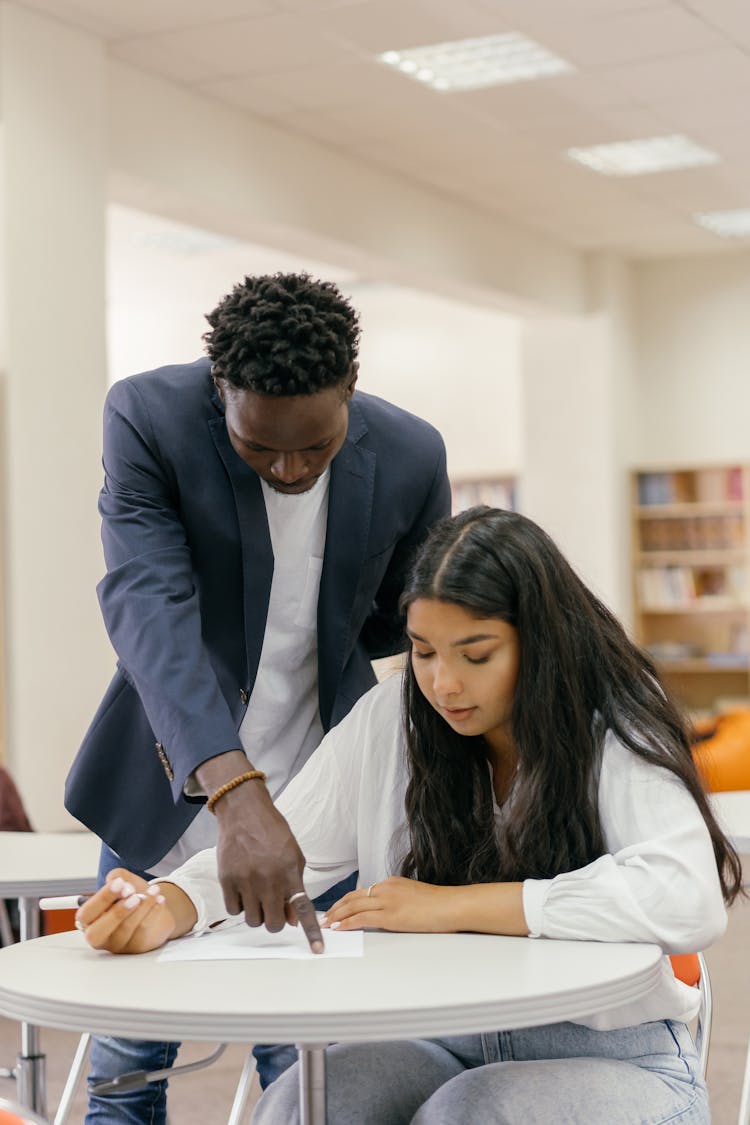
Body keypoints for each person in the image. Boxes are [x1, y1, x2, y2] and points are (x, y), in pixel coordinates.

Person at [78, 506, 743, 1124]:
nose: (444, 683)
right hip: (445, 1042)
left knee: (470, 1112)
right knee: (301, 1106)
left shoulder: (614, 718)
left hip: (618, 1057)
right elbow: (286, 842)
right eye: (424, 651)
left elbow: (688, 897)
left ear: (542, 640)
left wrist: (452, 905)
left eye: (476, 654)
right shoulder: (391, 721)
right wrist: (168, 903)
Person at [64, 271, 451, 1123]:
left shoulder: (414, 452)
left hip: (323, 792)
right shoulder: (148, 417)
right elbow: (146, 603)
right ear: (220, 390)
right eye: (259, 447)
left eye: (316, 448)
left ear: (351, 388)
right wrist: (236, 793)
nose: (289, 467)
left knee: (308, 1059)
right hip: (171, 781)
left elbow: (409, 620)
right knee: (126, 1066)